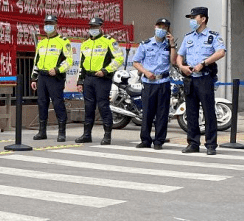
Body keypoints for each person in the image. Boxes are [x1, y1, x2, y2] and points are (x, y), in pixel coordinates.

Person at [175, 6, 226, 155]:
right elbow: (180, 55)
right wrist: (181, 66)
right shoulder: (188, 37)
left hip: (205, 78)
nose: (191, 20)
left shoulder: (213, 36)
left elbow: (221, 52)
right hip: (190, 79)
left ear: (202, 19)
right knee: (191, 112)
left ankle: (211, 144)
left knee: (209, 112)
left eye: (193, 17)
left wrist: (203, 63)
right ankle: (193, 143)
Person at [74, 16, 124, 144]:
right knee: (88, 107)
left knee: (103, 106)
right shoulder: (85, 44)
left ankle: (107, 135)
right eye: (91, 27)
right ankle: (86, 135)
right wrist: (80, 81)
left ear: (101, 27)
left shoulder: (109, 41)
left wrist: (105, 71)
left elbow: (119, 59)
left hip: (102, 79)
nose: (93, 29)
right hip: (88, 79)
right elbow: (81, 64)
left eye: (95, 27)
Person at [131, 18, 176, 150]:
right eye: (160, 27)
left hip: (163, 82)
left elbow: (173, 61)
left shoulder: (169, 45)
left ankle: (158, 141)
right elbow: (136, 62)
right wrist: (145, 72)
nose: (162, 30)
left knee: (162, 113)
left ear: (168, 30)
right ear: (155, 27)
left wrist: (172, 44)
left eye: (165, 27)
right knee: (147, 113)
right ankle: (145, 140)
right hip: (149, 82)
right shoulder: (145, 44)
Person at [30, 15, 72, 141]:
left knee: (58, 103)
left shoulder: (63, 41)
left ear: (56, 25)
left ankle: (62, 132)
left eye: (51, 23)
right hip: (42, 77)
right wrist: (34, 77)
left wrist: (58, 69)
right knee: (42, 103)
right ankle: (42, 132)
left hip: (55, 77)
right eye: (46, 23)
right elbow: (36, 61)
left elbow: (69, 61)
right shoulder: (41, 43)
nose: (48, 26)